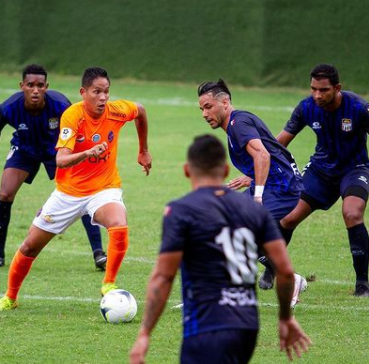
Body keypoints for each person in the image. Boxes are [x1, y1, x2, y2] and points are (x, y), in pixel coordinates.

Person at [129, 135, 311, 364]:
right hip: (247, 327)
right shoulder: (255, 210)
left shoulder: (181, 211)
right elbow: (284, 271)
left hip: (207, 326)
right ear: (225, 170)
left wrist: (145, 333)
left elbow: (163, 277)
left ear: (187, 171)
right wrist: (285, 318)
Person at [0, 67, 152, 311]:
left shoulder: (117, 111)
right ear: (83, 92)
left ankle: (108, 283)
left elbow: (140, 110)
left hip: (103, 189)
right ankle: (10, 297)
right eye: (97, 92)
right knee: (30, 246)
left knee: (119, 221)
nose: (103, 97)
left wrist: (143, 149)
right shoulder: (72, 116)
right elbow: (61, 160)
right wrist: (87, 153)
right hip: (68, 194)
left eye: (106, 92)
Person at [0, 64, 107, 271]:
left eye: (40, 85)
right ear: (22, 85)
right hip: (25, 149)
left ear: (46, 86)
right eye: (30, 85)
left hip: (57, 150)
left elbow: (79, 126)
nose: (35, 90)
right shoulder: (8, 107)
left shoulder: (60, 104)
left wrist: (82, 159)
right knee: (4, 194)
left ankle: (99, 253)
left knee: (80, 193)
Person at [198, 79, 305, 293]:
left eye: (208, 107)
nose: (204, 114)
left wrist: (257, 196)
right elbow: (269, 152)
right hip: (278, 185)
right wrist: (251, 177)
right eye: (201, 109)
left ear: (225, 102)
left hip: (281, 189)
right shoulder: (236, 124)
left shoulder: (238, 124)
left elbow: (262, 154)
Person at [277, 64, 369, 297]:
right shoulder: (306, 108)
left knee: (352, 213)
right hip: (321, 170)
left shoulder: (358, 108)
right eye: (313, 89)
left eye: (324, 90)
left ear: (337, 88)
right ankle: (271, 267)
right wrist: (256, 169)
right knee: (288, 218)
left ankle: (362, 283)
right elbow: (280, 144)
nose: (317, 95)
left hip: (355, 168)